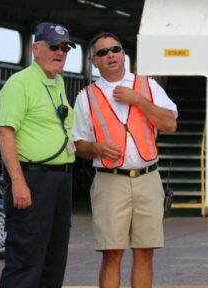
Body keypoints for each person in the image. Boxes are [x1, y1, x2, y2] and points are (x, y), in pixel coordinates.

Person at [72, 32, 177, 288]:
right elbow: (78, 145)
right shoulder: (86, 97)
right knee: (112, 253)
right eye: (102, 52)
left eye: (115, 49)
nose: (110, 55)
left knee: (145, 252)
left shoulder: (147, 86)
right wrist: (95, 147)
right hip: (110, 181)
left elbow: (169, 124)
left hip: (148, 178)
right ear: (93, 62)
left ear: (123, 54)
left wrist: (138, 100)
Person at [0, 22, 77, 288]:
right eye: (53, 46)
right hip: (33, 179)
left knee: (54, 259)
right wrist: (18, 182)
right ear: (35, 49)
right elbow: (5, 133)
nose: (60, 52)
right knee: (26, 259)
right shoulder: (20, 83)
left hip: (60, 181)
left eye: (65, 48)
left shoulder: (58, 82)